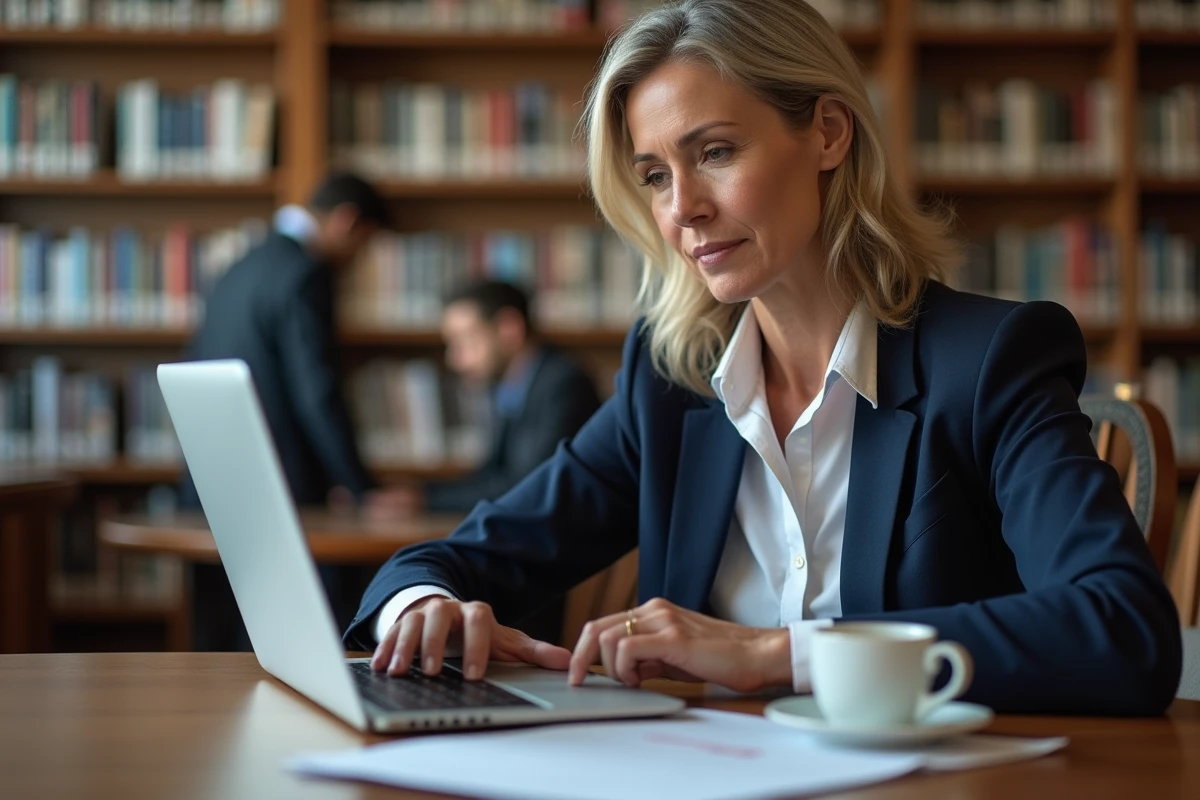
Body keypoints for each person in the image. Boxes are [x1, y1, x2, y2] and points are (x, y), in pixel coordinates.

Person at [347, 0, 1182, 714]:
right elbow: (450, 561)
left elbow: (1122, 628)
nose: (684, 211)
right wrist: (421, 607)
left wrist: (779, 654)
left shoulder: (987, 359)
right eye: (654, 175)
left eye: (715, 152)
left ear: (826, 133)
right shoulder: (672, 378)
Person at [181, 171, 405, 649]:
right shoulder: (305, 272)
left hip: (212, 482)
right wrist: (361, 487)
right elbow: (317, 391)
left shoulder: (241, 265)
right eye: (363, 246)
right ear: (347, 223)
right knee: (294, 642)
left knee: (220, 639)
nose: (356, 260)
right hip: (282, 490)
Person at [402, 280, 602, 514]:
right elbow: (492, 475)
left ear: (509, 328)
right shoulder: (510, 386)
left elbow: (528, 485)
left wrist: (426, 501)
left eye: (465, 339)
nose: (454, 359)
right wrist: (421, 493)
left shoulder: (564, 384)